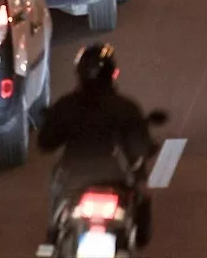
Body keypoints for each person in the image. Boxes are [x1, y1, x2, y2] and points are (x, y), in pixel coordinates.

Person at [38, 43, 157, 243]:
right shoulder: (126, 107)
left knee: (56, 187)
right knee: (141, 191)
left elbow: (45, 143)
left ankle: (53, 235)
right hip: (116, 180)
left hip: (73, 179)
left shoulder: (67, 105)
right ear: (113, 73)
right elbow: (140, 147)